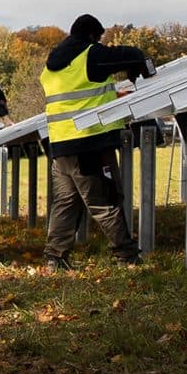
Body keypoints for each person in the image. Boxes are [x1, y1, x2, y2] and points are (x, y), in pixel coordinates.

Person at [38, 14, 152, 268]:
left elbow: (81, 96)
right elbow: (129, 53)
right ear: (92, 35)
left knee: (65, 203)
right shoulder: (89, 55)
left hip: (60, 146)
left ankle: (54, 258)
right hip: (89, 144)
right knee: (106, 201)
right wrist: (142, 62)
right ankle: (127, 257)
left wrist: (114, 92)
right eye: (98, 38)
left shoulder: (53, 64)